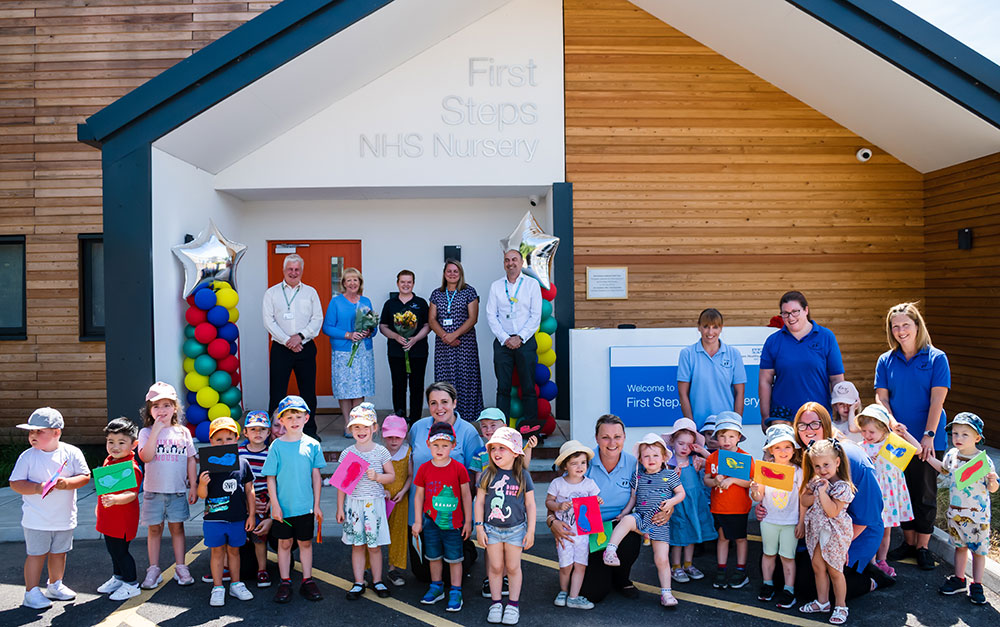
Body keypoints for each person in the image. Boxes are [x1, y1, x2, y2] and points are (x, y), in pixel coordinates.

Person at [781, 402, 888, 602]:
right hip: (823, 528)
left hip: (857, 531)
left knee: (812, 588)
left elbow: (867, 515)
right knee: (784, 576)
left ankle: (872, 579)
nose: (808, 430)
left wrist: (842, 545)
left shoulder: (852, 458)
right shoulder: (805, 455)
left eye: (815, 424)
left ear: (827, 425)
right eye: (802, 425)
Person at [549, 414, 662, 603]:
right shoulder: (583, 463)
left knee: (630, 537)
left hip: (619, 527)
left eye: (617, 437)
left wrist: (667, 508)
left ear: (624, 437)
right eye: (605, 437)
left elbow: (653, 490)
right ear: (596, 438)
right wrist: (552, 522)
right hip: (588, 531)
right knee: (592, 593)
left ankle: (621, 578)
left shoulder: (635, 464)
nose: (612, 442)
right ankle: (602, 574)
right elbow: (558, 497)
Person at [876, 302, 950, 570]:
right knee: (901, 491)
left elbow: (937, 401)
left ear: (917, 326)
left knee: (925, 493)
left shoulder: (936, 358)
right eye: (895, 326)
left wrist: (928, 435)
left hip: (928, 438)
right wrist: (892, 421)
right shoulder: (886, 360)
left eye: (906, 324)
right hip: (898, 440)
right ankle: (907, 543)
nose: (900, 330)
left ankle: (923, 547)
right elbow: (881, 396)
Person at [9, 407, 91, 610]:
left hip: (64, 517)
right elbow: (16, 483)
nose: (33, 436)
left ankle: (55, 585)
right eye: (31, 432)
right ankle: (31, 592)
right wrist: (37, 488)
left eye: (39, 431)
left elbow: (85, 476)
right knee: (36, 554)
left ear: (57, 432)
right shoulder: (28, 456)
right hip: (36, 519)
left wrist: (67, 484)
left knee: (59, 552)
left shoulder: (72, 452)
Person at [407, 382, 484, 582]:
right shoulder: (417, 428)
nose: (439, 408)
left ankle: (468, 549)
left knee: (453, 572)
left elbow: (474, 476)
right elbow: (410, 461)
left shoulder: (468, 432)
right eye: (433, 403)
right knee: (422, 573)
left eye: (444, 402)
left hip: (452, 512)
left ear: (455, 403)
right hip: (422, 510)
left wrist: (467, 517)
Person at [604, 433, 685, 608]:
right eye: (646, 456)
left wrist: (671, 502)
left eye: (656, 455)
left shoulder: (670, 475)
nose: (651, 459)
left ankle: (666, 593)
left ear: (664, 457)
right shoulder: (638, 477)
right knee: (626, 521)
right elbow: (633, 498)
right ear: (640, 459)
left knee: (662, 559)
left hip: (659, 522)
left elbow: (681, 493)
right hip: (641, 517)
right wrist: (624, 512)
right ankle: (610, 550)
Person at [927, 412, 998, 605]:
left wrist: (992, 481)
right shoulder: (952, 455)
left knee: (978, 552)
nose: (958, 438)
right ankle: (959, 579)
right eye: (955, 433)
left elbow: (992, 488)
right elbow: (944, 470)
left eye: (964, 434)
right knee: (959, 547)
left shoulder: (984, 462)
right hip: (956, 514)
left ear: (977, 438)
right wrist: (927, 457)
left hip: (978, 517)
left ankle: (977, 584)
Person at [261, 395, 326, 604]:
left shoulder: (313, 445)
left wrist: (316, 505)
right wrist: (276, 506)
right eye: (289, 417)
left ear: (306, 418)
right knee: (285, 543)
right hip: (283, 508)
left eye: (298, 416)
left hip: (305, 507)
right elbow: (270, 478)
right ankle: (285, 581)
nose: (294, 421)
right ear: (281, 420)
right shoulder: (276, 447)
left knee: (305, 543)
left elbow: (316, 476)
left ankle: (307, 580)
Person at [137, 382, 197, 589]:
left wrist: (194, 486)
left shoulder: (183, 432)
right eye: (156, 406)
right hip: (153, 491)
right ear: (149, 410)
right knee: (154, 530)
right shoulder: (145, 433)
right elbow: (146, 456)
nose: (161, 410)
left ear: (175, 407)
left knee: (177, 528)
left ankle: (181, 566)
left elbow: (191, 459)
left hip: (177, 491)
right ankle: (153, 569)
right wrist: (155, 431)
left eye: (166, 405)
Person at [475, 427, 536, 624]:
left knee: (512, 567)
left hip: (516, 530)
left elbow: (530, 504)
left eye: (503, 448)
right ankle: (495, 603)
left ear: (516, 452)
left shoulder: (523, 476)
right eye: (494, 448)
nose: (497, 453)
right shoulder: (487, 474)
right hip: (491, 529)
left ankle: (513, 604)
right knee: (494, 567)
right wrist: (479, 527)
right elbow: (480, 502)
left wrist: (531, 531)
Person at [412, 421, 474, 612]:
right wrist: (417, 521)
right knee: (433, 556)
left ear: (453, 445)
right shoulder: (424, 469)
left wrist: (468, 521)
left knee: (455, 558)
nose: (440, 449)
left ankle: (456, 590)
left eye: (445, 445)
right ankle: (436, 586)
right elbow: (419, 496)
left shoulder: (458, 469)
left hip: (453, 523)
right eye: (436, 445)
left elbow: (465, 495)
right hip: (430, 522)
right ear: (428, 444)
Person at [759, 291, 845, 429]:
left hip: (817, 417)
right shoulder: (773, 341)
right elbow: (765, 381)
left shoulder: (826, 337)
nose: (790, 317)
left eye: (795, 311)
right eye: (785, 313)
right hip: (782, 418)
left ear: (806, 310)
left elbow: (837, 379)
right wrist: (765, 416)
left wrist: (841, 411)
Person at [196, 417, 256, 607]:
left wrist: (251, 514)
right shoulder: (208, 465)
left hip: (237, 517)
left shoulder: (243, 463)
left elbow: (249, 490)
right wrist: (202, 484)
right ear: (211, 441)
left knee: (234, 551)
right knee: (216, 552)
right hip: (214, 519)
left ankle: (236, 584)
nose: (224, 443)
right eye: (218, 439)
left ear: (237, 439)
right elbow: (201, 495)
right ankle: (218, 587)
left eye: (229, 439)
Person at [337, 403, 395, 601]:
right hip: (354, 505)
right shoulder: (347, 453)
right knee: (357, 545)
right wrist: (339, 508)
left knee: (375, 545)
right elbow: (341, 485)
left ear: (374, 428)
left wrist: (377, 477)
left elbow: (392, 476)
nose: (361, 431)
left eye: (365, 426)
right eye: (356, 427)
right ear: (350, 429)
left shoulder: (381, 452)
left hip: (374, 504)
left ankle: (378, 580)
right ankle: (358, 581)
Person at [263, 253, 324, 439]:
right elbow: (268, 321)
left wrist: (300, 337)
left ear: (301, 271)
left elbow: (317, 319)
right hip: (281, 349)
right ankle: (274, 433)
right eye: (290, 269)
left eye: (297, 269)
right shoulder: (271, 293)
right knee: (277, 391)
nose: (293, 272)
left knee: (308, 392)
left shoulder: (310, 292)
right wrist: (287, 341)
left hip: (305, 347)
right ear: (284, 270)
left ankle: (310, 431)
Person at [854, 404, 917, 577]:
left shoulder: (894, 444)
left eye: (871, 432)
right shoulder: (862, 447)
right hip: (872, 494)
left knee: (885, 530)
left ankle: (882, 561)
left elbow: (918, 450)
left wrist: (903, 432)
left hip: (889, 494)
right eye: (864, 431)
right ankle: (870, 561)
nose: (867, 436)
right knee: (870, 529)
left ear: (884, 429)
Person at [799, 439, 856, 624]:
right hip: (817, 531)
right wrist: (813, 490)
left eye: (826, 465)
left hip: (834, 533)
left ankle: (841, 605)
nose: (822, 470)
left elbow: (832, 511)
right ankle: (822, 602)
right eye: (817, 466)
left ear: (837, 462)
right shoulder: (817, 483)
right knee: (817, 566)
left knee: (835, 570)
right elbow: (804, 501)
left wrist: (822, 493)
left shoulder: (843, 487)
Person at [486, 249, 543, 436]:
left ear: (521, 262)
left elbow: (536, 315)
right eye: (507, 260)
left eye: (514, 260)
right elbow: (491, 315)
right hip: (503, 343)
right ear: (504, 263)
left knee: (528, 387)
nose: (510, 263)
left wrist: (520, 337)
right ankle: (501, 431)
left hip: (525, 341)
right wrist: (505, 338)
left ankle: (531, 431)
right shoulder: (496, 286)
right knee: (503, 388)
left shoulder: (532, 285)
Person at [750, 424, 802, 609]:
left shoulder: (798, 471)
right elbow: (758, 498)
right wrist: (755, 491)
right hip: (769, 520)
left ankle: (789, 589)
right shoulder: (764, 469)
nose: (783, 451)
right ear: (771, 449)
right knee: (769, 553)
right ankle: (767, 584)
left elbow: (803, 499)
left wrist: (801, 522)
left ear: (793, 448)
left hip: (790, 522)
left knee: (788, 557)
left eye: (787, 446)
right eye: (778, 447)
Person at [546, 440, 602, 609]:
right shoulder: (558, 484)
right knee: (566, 565)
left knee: (580, 565)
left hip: (583, 534)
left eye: (583, 463)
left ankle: (573, 596)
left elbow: (595, 502)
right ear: (565, 466)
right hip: (566, 533)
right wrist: (558, 506)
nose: (580, 467)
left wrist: (598, 501)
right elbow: (548, 502)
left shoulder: (589, 484)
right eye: (574, 463)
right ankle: (563, 591)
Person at [322, 267, 378, 430]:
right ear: (344, 283)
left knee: (360, 388)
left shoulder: (366, 301)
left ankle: (358, 423)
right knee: (345, 389)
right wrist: (348, 334)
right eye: (349, 280)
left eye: (356, 280)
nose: (353, 283)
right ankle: (348, 424)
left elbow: (372, 326)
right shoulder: (336, 302)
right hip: (344, 352)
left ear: (360, 282)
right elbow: (327, 327)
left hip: (363, 351)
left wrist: (369, 331)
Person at [96, 417, 144, 601]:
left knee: (120, 552)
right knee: (113, 550)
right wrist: (98, 506)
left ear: (134, 444)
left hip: (122, 519)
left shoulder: (131, 466)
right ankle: (118, 577)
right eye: (111, 442)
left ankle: (131, 584)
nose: (115, 447)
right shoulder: (109, 460)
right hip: (109, 516)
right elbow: (103, 489)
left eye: (121, 442)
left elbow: (132, 494)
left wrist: (116, 499)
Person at [429, 259, 484, 419]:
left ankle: (467, 417)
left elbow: (473, 318)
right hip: (443, 346)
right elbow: (432, 319)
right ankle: (445, 415)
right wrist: (445, 337)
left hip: (465, 344)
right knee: (445, 381)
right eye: (449, 271)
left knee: (467, 380)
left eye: (455, 271)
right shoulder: (436, 293)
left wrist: (454, 335)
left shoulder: (469, 291)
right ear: (444, 274)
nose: (452, 274)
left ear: (460, 273)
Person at [704, 412, 753, 590]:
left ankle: (741, 570)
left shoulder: (745, 457)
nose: (726, 440)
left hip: (739, 507)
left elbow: (751, 482)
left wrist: (732, 480)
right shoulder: (713, 457)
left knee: (740, 538)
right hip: (719, 506)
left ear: (738, 437)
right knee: (723, 537)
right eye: (722, 436)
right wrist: (715, 481)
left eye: (731, 436)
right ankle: (721, 568)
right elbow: (706, 480)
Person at [663, 417, 714, 584]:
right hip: (678, 505)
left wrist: (703, 452)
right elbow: (660, 483)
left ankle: (688, 564)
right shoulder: (668, 464)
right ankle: (676, 566)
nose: (685, 448)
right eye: (681, 443)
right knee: (678, 536)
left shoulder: (696, 460)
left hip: (694, 503)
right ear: (672, 442)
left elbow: (716, 465)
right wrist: (669, 476)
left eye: (689, 444)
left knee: (692, 533)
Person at [677, 308, 747, 429]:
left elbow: (740, 392)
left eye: (715, 327)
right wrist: (691, 428)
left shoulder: (733, 354)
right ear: (699, 327)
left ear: (721, 328)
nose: (710, 332)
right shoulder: (687, 354)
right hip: (699, 427)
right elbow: (683, 393)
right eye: (706, 326)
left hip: (726, 428)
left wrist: (735, 426)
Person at [379, 270, 431, 421]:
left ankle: (415, 420)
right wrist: (395, 336)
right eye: (403, 282)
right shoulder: (390, 304)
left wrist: (414, 339)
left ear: (413, 284)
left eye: (409, 282)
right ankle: (399, 419)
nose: (406, 285)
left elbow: (428, 325)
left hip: (418, 351)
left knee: (417, 387)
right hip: (396, 352)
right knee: (398, 385)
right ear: (397, 283)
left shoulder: (421, 303)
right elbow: (383, 326)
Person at [238, 410, 273, 588]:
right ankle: (229, 567)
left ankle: (262, 569)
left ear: (268, 432)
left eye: (262, 429)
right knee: (237, 535)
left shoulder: (271, 453)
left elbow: (274, 481)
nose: (258, 433)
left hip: (263, 500)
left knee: (260, 536)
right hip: (242, 499)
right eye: (253, 429)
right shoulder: (239, 453)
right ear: (245, 432)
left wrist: (268, 502)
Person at [380, 414, 412, 587]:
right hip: (379, 498)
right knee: (374, 533)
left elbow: (410, 476)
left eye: (397, 437)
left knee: (398, 533)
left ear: (404, 436)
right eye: (390, 437)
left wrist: (404, 491)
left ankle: (393, 568)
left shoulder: (407, 452)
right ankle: (368, 566)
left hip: (400, 500)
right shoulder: (379, 452)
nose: (393, 441)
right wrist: (381, 490)